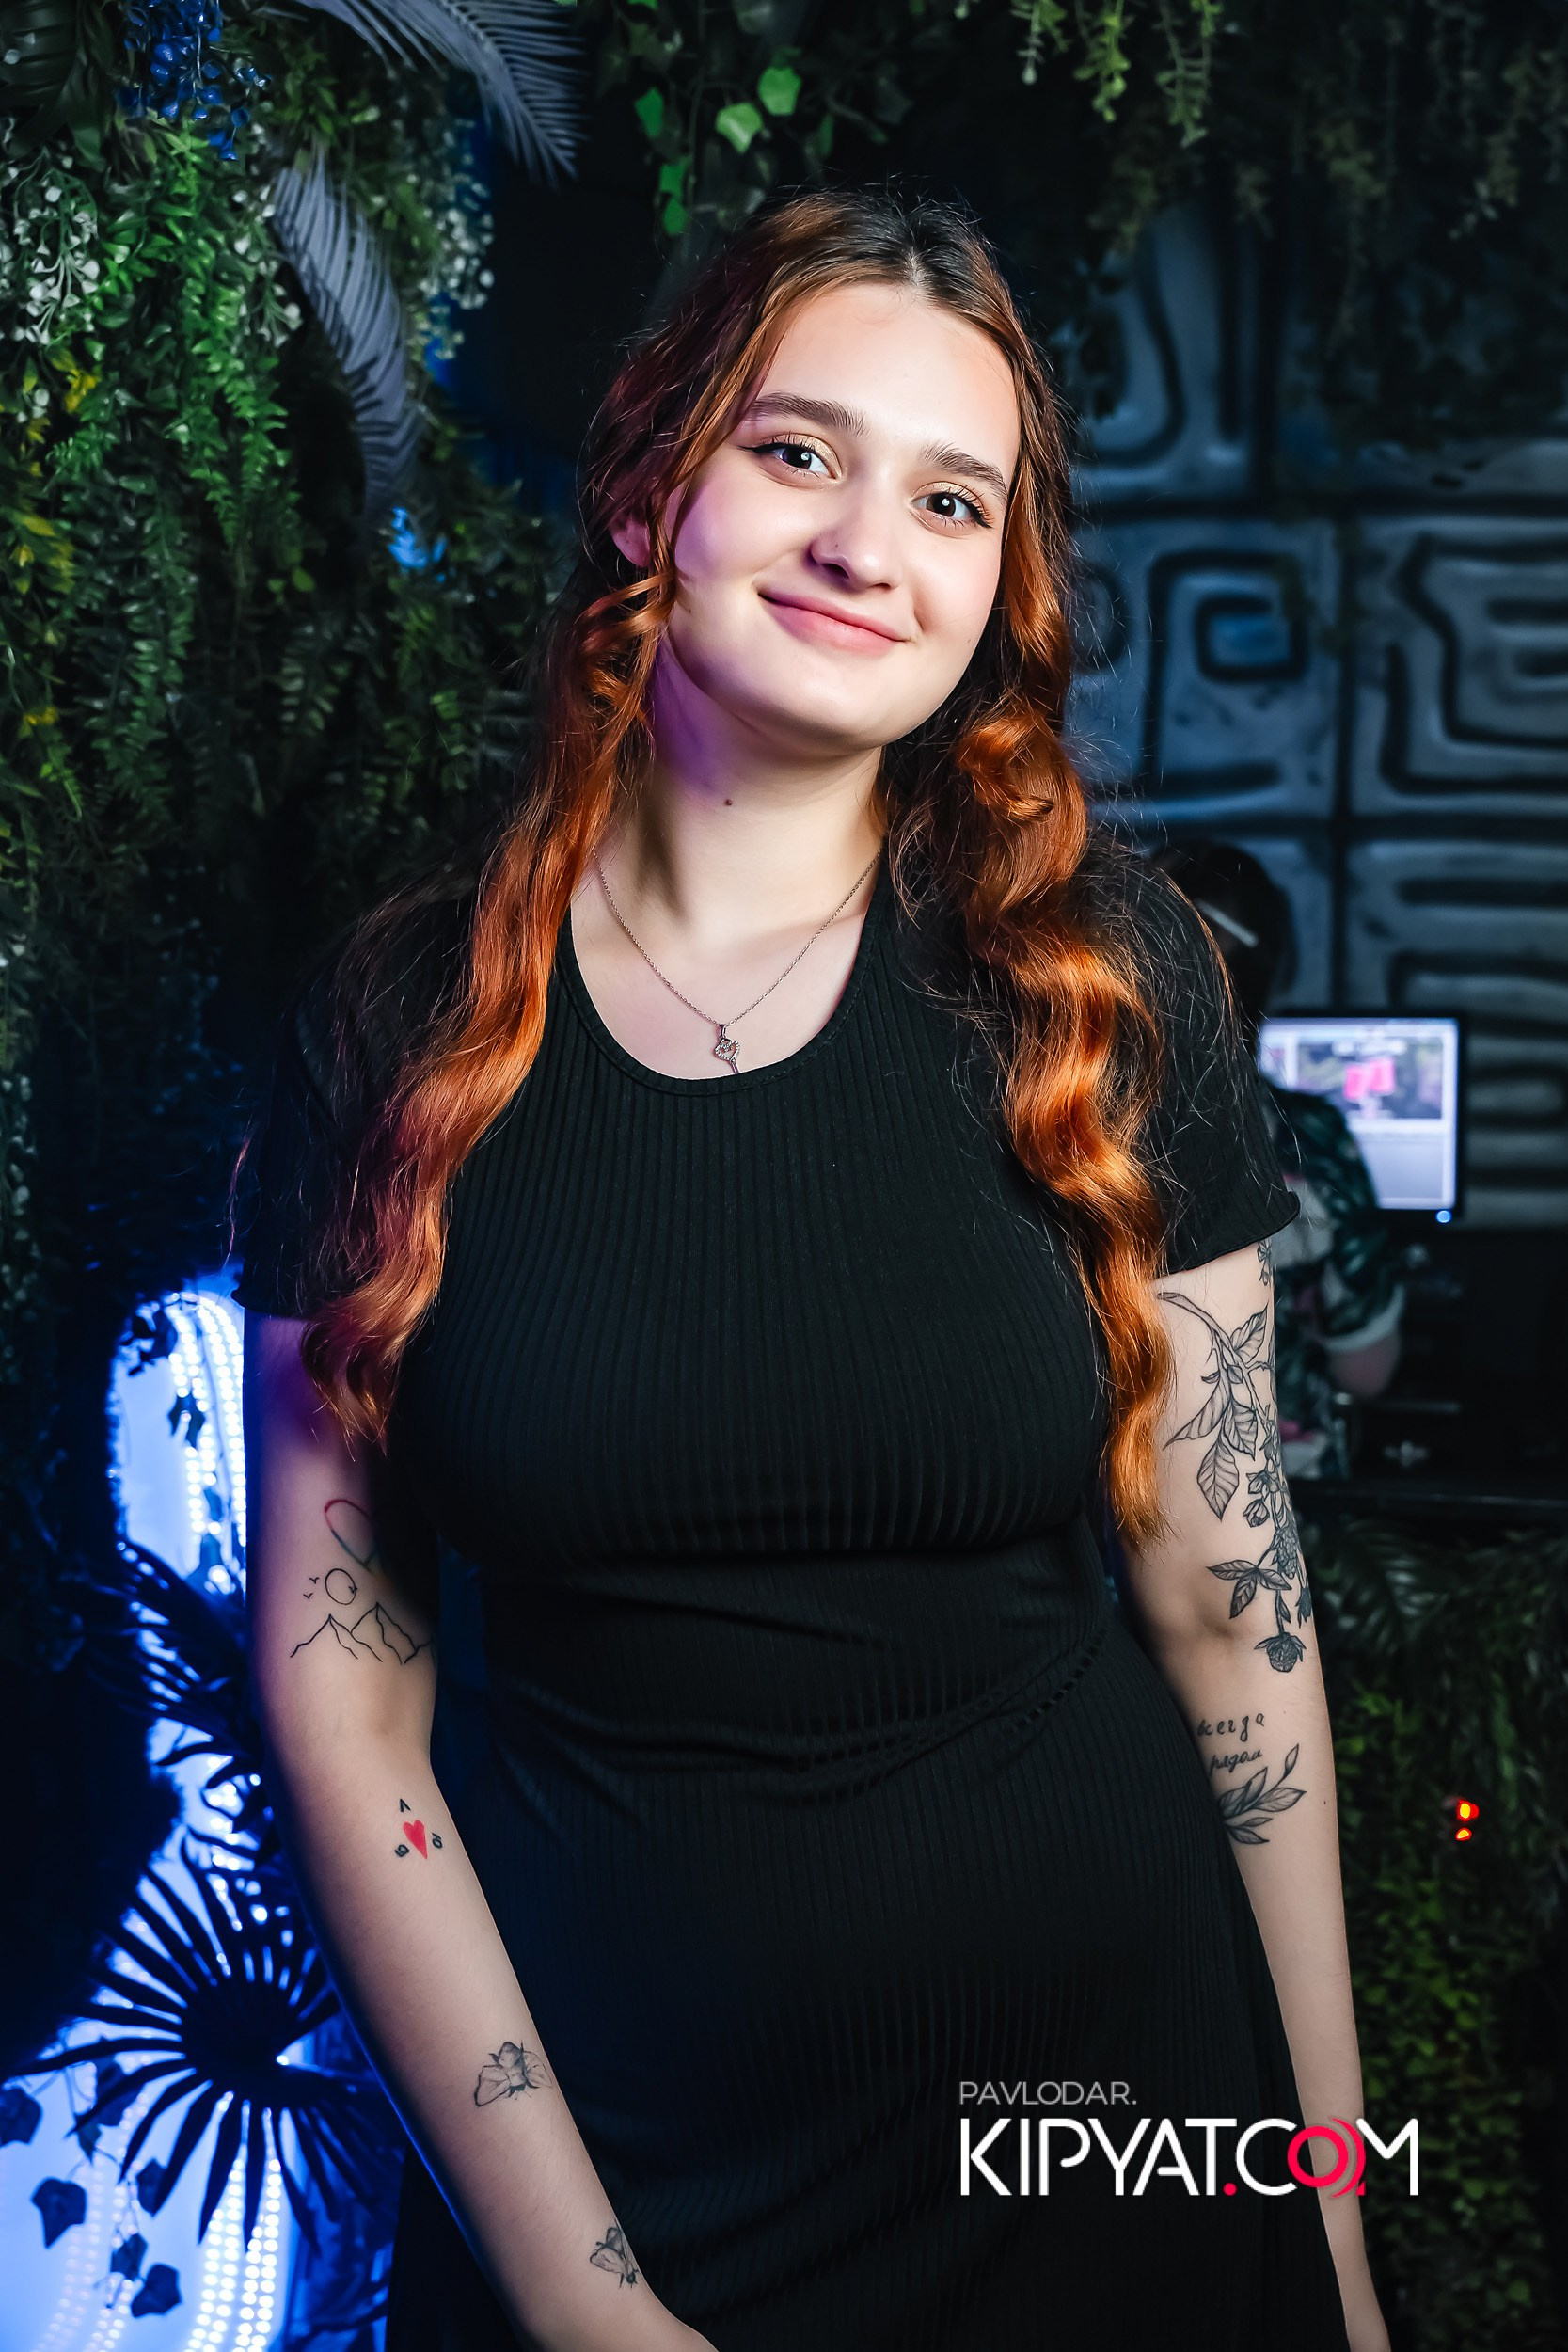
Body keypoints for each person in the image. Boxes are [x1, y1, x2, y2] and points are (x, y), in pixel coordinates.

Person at [236, 189, 1387, 2352]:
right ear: (651, 483)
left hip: (1106, 2154)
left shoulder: (1100, 988)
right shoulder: (391, 1021)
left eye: (950, 498)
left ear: (994, 587)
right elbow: (340, 1692)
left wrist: (1322, 2231)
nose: (869, 543)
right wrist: (585, 2302)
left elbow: (1237, 1641)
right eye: (796, 452)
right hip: (605, 2182)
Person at [1149, 841, 1404, 1478]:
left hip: (1095, 1510)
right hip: (1278, 1499)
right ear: (1271, 976)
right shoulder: (1310, 1143)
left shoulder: (1053, 1133)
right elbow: (1366, 1371)